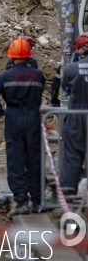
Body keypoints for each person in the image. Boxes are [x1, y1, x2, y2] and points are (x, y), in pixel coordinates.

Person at [0, 37, 46, 215]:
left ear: (11, 56)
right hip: (33, 118)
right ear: (29, 55)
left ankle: (21, 202)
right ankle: (37, 201)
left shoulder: (5, 76)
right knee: (35, 159)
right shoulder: (38, 75)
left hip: (14, 118)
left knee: (16, 159)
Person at [60, 32, 88, 193]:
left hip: (76, 116)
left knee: (73, 156)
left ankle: (68, 192)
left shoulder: (73, 68)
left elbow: (65, 87)